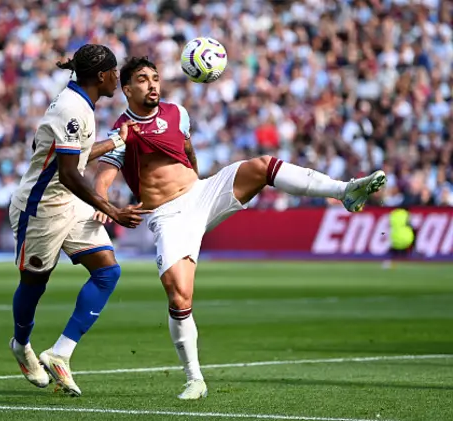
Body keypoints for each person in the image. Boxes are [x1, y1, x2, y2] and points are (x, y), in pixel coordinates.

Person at [94, 56, 387, 400]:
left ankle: (345, 191)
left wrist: (199, 178)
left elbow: (186, 148)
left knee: (261, 166)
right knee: (179, 295)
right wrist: (106, 207)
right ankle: (195, 379)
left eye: (155, 77)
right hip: (168, 214)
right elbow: (103, 177)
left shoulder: (178, 113)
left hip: (201, 192)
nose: (153, 83)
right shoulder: (121, 130)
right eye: (143, 79)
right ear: (127, 89)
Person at [8, 45, 151, 397]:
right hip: (41, 209)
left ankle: (60, 352)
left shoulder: (79, 103)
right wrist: (112, 209)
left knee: (108, 271)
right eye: (115, 72)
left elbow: (76, 154)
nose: (118, 78)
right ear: (101, 76)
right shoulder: (73, 109)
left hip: (68, 202)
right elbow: (70, 173)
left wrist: (116, 140)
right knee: (35, 283)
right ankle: (21, 344)